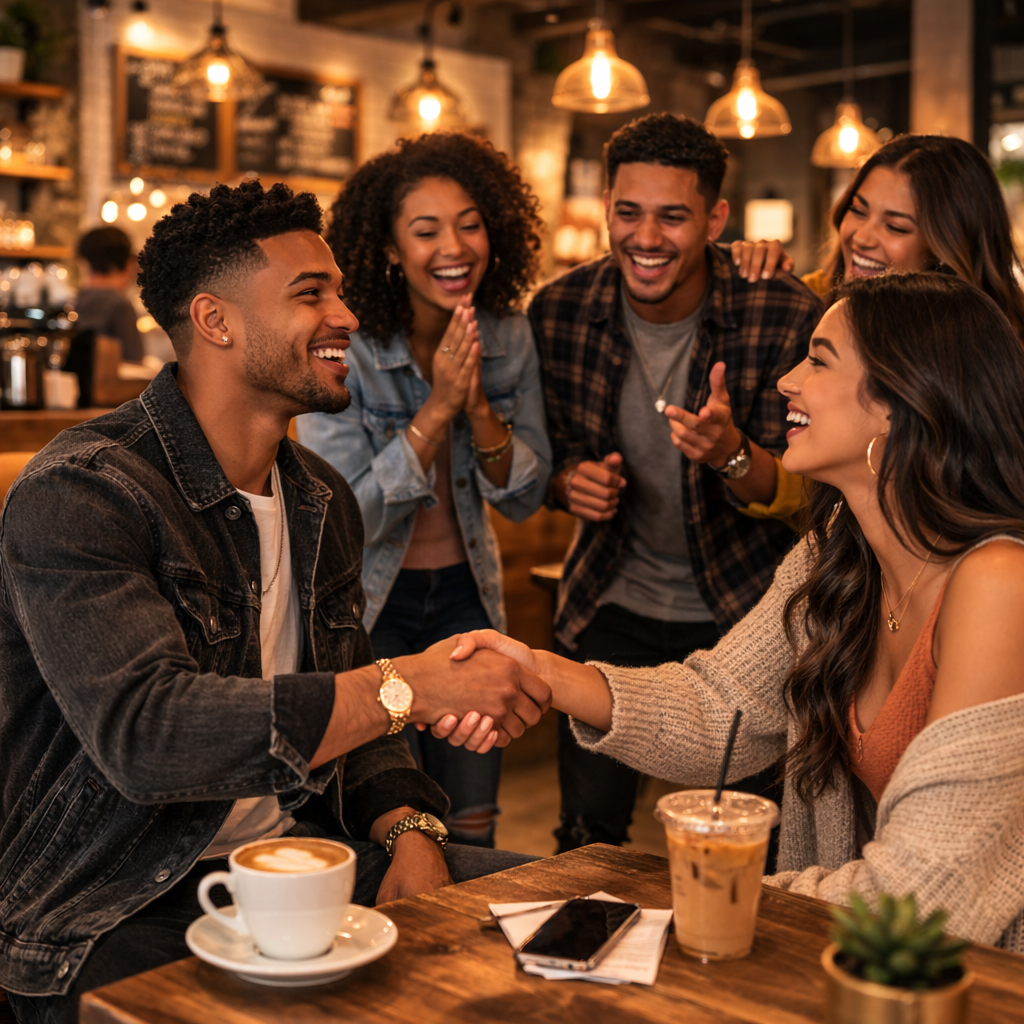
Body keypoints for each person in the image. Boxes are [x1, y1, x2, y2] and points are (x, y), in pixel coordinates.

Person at [0, 180, 550, 1024]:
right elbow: (150, 736)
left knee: (570, 935)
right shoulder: (83, 492)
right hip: (108, 904)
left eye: (338, 289)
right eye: (311, 294)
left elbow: (352, 697)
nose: (349, 318)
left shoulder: (319, 497)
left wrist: (410, 829)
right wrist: (412, 685)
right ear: (216, 321)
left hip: (299, 865)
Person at [448, 272, 1024, 952]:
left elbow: (928, 896)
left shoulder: (999, 582)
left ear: (899, 402)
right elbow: (723, 707)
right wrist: (545, 674)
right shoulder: (835, 556)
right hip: (854, 962)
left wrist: (694, 900)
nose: (786, 381)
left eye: (818, 359)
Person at [528, 112, 821, 855]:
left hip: (746, 614)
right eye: (627, 212)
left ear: (716, 218)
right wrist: (569, 483)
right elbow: (544, 457)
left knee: (748, 841)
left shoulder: (779, 311)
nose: (646, 237)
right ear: (606, 209)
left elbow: (814, 493)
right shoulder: (559, 311)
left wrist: (731, 452)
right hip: (610, 605)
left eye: (673, 216)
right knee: (588, 838)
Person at [297, 133, 551, 848]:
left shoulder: (508, 335)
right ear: (388, 247)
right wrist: (438, 409)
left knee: (473, 818)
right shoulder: (348, 346)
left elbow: (525, 498)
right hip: (374, 605)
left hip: (469, 598)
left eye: (469, 224)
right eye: (427, 229)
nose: (454, 246)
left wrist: (475, 407)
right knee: (397, 821)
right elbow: (344, 515)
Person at [726, 133, 1024, 524]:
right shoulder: (810, 305)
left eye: (896, 227)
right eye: (858, 210)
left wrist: (732, 457)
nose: (862, 237)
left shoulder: (990, 357)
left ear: (946, 245)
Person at [74, 225, 145, 363]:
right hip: (112, 383)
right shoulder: (120, 305)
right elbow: (134, 362)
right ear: (128, 262)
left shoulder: (78, 300)